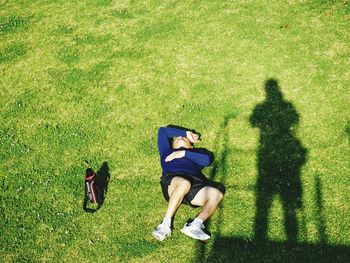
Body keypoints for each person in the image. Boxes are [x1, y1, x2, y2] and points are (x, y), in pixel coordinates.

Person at [152, 126, 224, 242]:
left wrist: (183, 153)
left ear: (191, 145)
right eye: (177, 137)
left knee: (217, 194)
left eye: (184, 138)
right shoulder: (167, 151)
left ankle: (195, 225)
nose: (180, 137)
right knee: (184, 183)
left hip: (196, 184)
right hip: (173, 180)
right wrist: (186, 133)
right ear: (172, 144)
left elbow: (208, 159)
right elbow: (163, 131)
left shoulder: (194, 154)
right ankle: (165, 225)